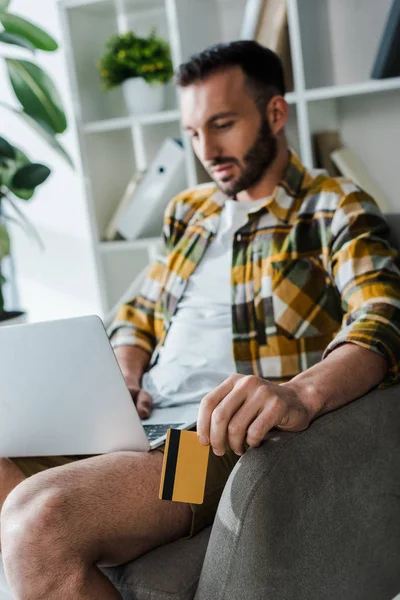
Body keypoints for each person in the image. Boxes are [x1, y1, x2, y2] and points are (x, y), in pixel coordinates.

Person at [1, 41, 400, 599]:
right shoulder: (189, 212)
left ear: (275, 114)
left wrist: (300, 394)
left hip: (204, 442)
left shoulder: (333, 207)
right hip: (129, 425)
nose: (205, 148)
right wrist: (125, 376)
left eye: (223, 124)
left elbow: (380, 318)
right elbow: (139, 314)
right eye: (192, 132)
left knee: (41, 519)